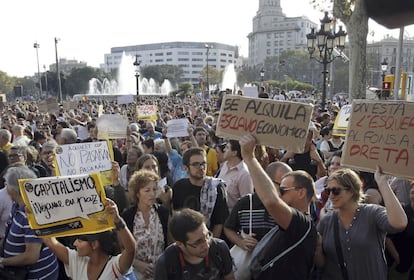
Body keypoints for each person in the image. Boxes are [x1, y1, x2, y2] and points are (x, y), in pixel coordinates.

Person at [239, 134, 317, 279]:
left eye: (283, 190)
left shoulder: (302, 224)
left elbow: (271, 201)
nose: (278, 194)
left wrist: (249, 158)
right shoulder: (294, 223)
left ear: (301, 193)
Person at [315, 167, 408, 280]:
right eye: (328, 191)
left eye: (335, 191)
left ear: (352, 191)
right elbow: (321, 264)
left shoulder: (372, 213)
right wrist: (318, 247)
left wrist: (383, 183)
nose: (331, 196)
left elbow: (400, 223)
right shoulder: (327, 221)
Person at [43, 198, 136, 280]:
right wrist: (38, 215)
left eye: (80, 240)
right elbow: (50, 241)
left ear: (94, 244)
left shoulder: (114, 266)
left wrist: (117, 220)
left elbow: (130, 250)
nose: (75, 243)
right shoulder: (76, 260)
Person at [2, 166, 59, 279]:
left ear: (13, 189)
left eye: (6, 184)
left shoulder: (32, 214)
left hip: (37, 276)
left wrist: (3, 261)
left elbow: (31, 256)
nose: (5, 187)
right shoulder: (17, 206)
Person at [224, 162, 292, 251]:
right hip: (250, 261)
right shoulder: (245, 203)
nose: (285, 191)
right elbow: (228, 228)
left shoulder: (290, 206)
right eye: (282, 186)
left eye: (289, 187)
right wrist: (241, 242)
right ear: (267, 181)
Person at [154, 208, 234, 280]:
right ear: (180, 244)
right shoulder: (166, 263)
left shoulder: (219, 249)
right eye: (198, 242)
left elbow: (229, 277)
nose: (206, 245)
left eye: (207, 236)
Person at [121, 169, 169, 279]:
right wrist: (138, 264)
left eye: (154, 189)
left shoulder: (163, 213)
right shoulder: (128, 216)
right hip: (135, 273)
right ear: (138, 193)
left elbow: (170, 244)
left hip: (160, 272)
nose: (152, 194)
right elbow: (121, 248)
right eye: (147, 190)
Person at [171, 147, 229, 238]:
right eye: (196, 164)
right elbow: (175, 217)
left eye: (203, 163)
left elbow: (219, 223)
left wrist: (209, 246)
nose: (201, 167)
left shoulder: (216, 188)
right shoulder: (179, 187)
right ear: (186, 168)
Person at [216, 140, 254, 211]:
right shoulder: (224, 165)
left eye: (227, 148)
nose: (224, 150)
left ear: (234, 153)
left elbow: (247, 203)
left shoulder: (244, 174)